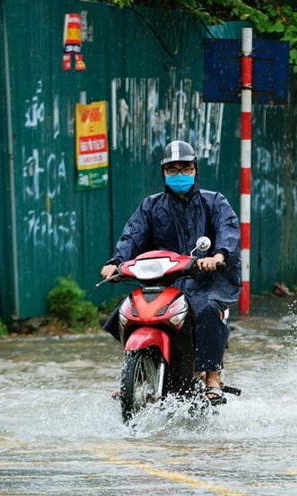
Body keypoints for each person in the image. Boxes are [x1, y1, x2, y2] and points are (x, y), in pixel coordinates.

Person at [101, 140, 241, 405]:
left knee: (209, 309)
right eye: (172, 169)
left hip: (206, 281)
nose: (179, 174)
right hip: (167, 281)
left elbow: (229, 231)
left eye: (185, 168)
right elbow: (132, 236)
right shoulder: (151, 206)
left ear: (195, 170)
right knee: (127, 311)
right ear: (163, 173)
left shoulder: (214, 202)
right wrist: (116, 262)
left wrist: (218, 255)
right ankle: (135, 372)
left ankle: (212, 376)